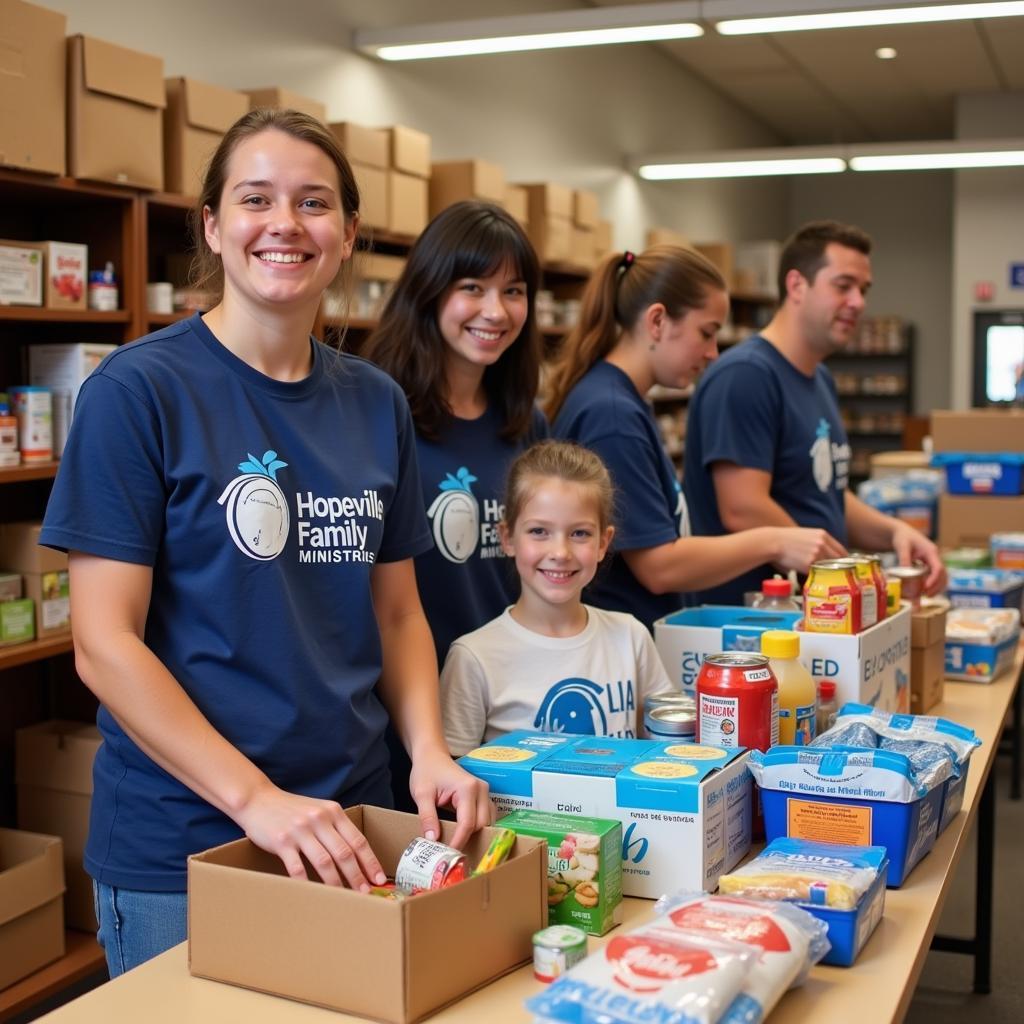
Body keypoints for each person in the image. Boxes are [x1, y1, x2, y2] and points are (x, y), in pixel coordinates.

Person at [39, 109, 489, 977]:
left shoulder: (375, 403)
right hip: (190, 842)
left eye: (314, 202)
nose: (285, 223)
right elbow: (102, 644)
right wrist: (258, 801)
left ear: (348, 233)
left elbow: (397, 614)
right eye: (256, 198)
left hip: (350, 823)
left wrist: (430, 750)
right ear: (213, 225)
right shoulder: (140, 393)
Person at [546, 245, 845, 629]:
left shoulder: (623, 402)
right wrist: (777, 542)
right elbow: (659, 566)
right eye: (706, 333)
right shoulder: (612, 415)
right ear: (657, 321)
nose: (713, 353)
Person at [682, 221, 946, 606]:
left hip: (812, 612)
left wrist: (894, 533)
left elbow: (826, 493)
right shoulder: (747, 375)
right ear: (796, 286)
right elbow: (742, 506)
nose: (858, 302)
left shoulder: (819, 378)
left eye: (863, 290)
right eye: (843, 286)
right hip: (752, 621)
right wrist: (839, 574)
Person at [364, 200, 547, 667]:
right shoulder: (376, 413)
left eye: (513, 291)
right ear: (430, 290)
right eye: (472, 288)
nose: (496, 311)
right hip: (408, 696)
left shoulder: (527, 422)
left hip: (509, 691)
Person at [441, 440, 673, 757]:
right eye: (539, 531)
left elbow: (669, 747)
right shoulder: (474, 658)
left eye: (580, 533)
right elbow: (453, 788)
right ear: (507, 538)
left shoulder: (631, 637)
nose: (560, 553)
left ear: (604, 542)